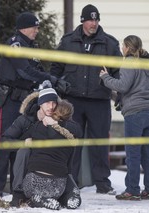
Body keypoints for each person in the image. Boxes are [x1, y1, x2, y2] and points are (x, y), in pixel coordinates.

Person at [0, 12, 68, 196]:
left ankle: (16, 186)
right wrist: (51, 78)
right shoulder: (15, 44)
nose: (37, 30)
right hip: (7, 99)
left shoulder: (30, 46)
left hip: (22, 102)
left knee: (19, 144)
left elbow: (37, 70)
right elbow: (25, 72)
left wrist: (54, 81)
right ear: (24, 27)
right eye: (34, 27)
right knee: (3, 142)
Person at [50, 4, 122, 194]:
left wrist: (119, 94)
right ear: (82, 21)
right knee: (72, 140)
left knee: (99, 142)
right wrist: (58, 86)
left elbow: (120, 73)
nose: (94, 23)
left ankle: (103, 184)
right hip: (73, 102)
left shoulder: (110, 44)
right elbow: (55, 68)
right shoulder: (68, 42)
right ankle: (71, 182)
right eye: (90, 20)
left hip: (99, 101)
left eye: (96, 20)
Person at [99, 35, 149, 200]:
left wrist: (105, 77)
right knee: (148, 153)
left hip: (135, 114)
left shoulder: (129, 62)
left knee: (133, 154)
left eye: (122, 46)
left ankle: (132, 190)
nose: (121, 48)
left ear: (127, 47)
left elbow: (122, 86)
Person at [1, 84, 82, 209]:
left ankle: (69, 190)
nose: (51, 106)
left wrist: (55, 124)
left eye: (54, 103)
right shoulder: (25, 120)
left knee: (69, 144)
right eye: (47, 103)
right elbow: (4, 141)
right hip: (32, 161)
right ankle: (18, 193)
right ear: (40, 104)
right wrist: (23, 143)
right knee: (24, 150)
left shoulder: (58, 118)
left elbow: (77, 130)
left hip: (55, 164)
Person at [22, 96, 82, 210]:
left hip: (34, 181)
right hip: (58, 185)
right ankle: (68, 198)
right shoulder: (72, 137)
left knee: (30, 191)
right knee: (62, 183)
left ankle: (39, 199)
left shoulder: (37, 126)